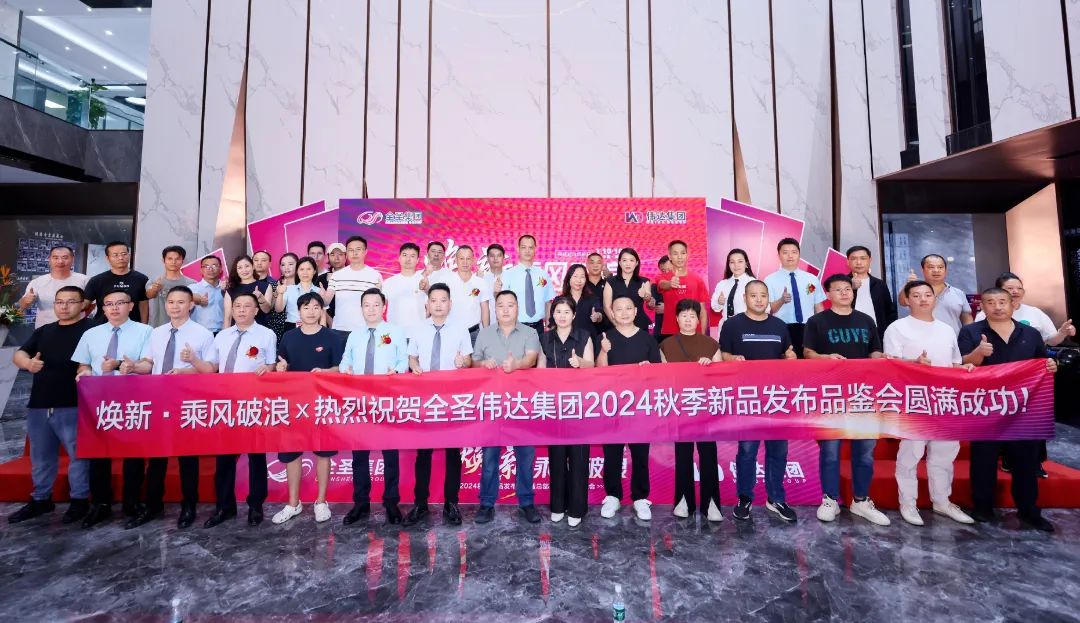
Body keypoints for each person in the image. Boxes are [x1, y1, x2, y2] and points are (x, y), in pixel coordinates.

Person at [959, 287, 1058, 532]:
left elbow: (1042, 363)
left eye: (1002, 301)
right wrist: (978, 354)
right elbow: (962, 364)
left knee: (1025, 461)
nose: (997, 306)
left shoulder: (1031, 333)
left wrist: (1051, 365)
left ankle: (1029, 511)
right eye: (990, 302)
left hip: (1022, 409)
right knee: (983, 460)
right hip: (985, 407)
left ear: (1012, 304)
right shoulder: (971, 332)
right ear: (982, 306)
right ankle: (982, 508)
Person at [883, 280, 975, 526]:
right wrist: (913, 363)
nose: (923, 299)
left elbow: (954, 363)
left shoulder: (946, 329)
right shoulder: (897, 328)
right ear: (907, 300)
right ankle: (908, 503)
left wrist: (964, 368)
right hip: (913, 400)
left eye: (928, 294)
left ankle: (942, 501)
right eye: (916, 295)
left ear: (935, 299)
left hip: (943, 400)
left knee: (945, 454)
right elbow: (889, 365)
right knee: (910, 454)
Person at [802, 275, 890, 526]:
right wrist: (824, 358)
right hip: (830, 395)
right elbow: (807, 353)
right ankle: (830, 499)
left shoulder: (866, 320)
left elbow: (874, 351)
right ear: (828, 294)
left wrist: (881, 358)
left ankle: (861, 500)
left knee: (865, 451)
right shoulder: (817, 321)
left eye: (847, 289)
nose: (844, 293)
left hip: (863, 395)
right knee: (830, 451)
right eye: (838, 289)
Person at [125, 286, 215, 529]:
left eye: (181, 302)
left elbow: (211, 369)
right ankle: (153, 505)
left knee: (188, 458)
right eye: (171, 302)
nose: (175, 306)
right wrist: (134, 367)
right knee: (156, 457)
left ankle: (189, 506)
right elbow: (150, 364)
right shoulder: (156, 333)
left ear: (191, 305)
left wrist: (188, 366)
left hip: (187, 402)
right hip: (158, 399)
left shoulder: (203, 334)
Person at [7, 286, 92, 525]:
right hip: (40, 403)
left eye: (70, 301)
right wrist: (27, 364)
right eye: (59, 301)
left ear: (83, 305)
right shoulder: (44, 331)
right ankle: (41, 499)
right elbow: (19, 354)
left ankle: (79, 500)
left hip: (74, 403)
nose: (64, 306)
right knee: (41, 457)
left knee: (79, 456)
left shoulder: (92, 330)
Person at [71, 288, 153, 529]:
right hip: (98, 400)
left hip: (133, 399)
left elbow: (149, 365)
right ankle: (101, 503)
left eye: (120, 303)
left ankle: (132, 502)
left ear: (131, 306)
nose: (114, 308)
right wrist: (85, 372)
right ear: (102, 308)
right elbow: (83, 365)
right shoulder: (91, 333)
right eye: (109, 304)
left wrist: (128, 366)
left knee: (133, 454)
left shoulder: (146, 331)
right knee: (99, 454)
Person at [719, 280, 798, 522]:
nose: (759, 300)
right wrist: (733, 359)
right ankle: (744, 497)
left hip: (776, 398)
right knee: (747, 451)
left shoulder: (779, 325)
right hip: (748, 399)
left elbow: (788, 353)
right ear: (745, 298)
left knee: (778, 451)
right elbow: (724, 354)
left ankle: (776, 498)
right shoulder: (732, 325)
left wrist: (791, 356)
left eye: (763, 295)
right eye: (753, 295)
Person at [204, 293, 277, 528]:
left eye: (247, 306)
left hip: (253, 402)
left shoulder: (266, 335)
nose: (242, 310)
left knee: (256, 455)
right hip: (225, 403)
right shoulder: (222, 336)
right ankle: (224, 506)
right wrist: (194, 362)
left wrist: (269, 368)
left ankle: (256, 505)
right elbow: (212, 366)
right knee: (224, 456)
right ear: (232, 310)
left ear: (256, 310)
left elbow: (272, 365)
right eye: (237, 306)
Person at [403, 284, 473, 527]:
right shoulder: (418, 329)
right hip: (425, 398)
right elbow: (412, 357)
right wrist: (413, 365)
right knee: (423, 453)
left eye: (443, 300)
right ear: (428, 304)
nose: (439, 304)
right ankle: (420, 504)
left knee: (453, 452)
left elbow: (469, 360)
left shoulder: (461, 329)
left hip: (452, 399)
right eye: (434, 300)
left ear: (450, 304)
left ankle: (451, 503)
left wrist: (463, 362)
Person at [271, 293, 344, 525]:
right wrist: (280, 367)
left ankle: (321, 501)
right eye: (306, 307)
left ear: (322, 310)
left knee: (323, 452)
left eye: (315, 307)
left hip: (322, 403)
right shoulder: (289, 337)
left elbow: (341, 367)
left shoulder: (332, 337)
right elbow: (281, 363)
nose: (311, 312)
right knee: (292, 452)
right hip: (294, 404)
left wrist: (326, 373)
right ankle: (293, 503)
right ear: (298, 311)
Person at [338, 289, 410, 526]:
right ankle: (361, 503)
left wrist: (396, 371)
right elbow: (345, 361)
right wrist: (346, 369)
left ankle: (391, 503)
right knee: (359, 455)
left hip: (386, 400)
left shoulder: (396, 332)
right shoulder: (354, 335)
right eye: (367, 305)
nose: (371, 309)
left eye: (376, 304)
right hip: (359, 401)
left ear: (384, 307)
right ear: (361, 308)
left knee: (390, 454)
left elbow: (403, 362)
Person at [472, 290, 542, 525]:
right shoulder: (484, 334)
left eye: (510, 305)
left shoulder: (530, 332)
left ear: (517, 308)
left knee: (525, 456)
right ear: (495, 309)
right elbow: (474, 362)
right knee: (489, 458)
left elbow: (531, 359)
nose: (505, 309)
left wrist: (517, 365)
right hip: (492, 405)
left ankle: (526, 502)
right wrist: (483, 363)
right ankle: (486, 504)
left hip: (522, 404)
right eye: (500, 305)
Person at [596, 295, 661, 521]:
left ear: (635, 312)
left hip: (640, 407)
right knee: (612, 453)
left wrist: (649, 368)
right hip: (612, 407)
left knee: (640, 453)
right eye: (619, 309)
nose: (624, 313)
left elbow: (658, 374)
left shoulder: (647, 339)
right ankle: (612, 495)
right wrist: (604, 351)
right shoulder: (605, 337)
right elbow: (598, 372)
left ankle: (640, 497)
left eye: (628, 309)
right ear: (612, 313)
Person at [659, 299, 723, 522]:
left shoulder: (711, 344)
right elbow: (663, 378)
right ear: (677, 319)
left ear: (698, 320)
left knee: (708, 454)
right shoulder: (666, 345)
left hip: (706, 408)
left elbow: (722, 378)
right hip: (680, 408)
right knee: (683, 455)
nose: (688, 320)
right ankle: (683, 501)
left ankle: (711, 503)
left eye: (692, 316)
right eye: (684, 315)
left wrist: (710, 366)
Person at [538, 296, 594, 527]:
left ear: (573, 315)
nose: (562, 316)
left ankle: (577, 508)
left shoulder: (584, 336)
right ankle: (558, 505)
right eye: (558, 312)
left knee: (579, 458)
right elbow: (540, 369)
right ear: (553, 315)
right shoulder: (545, 338)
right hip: (554, 406)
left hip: (578, 406)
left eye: (566, 312)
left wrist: (580, 362)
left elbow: (592, 365)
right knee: (557, 457)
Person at [974, 272, 1075, 346]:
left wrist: (1062, 333)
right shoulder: (985, 314)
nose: (1015, 291)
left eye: (1019, 288)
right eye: (1010, 288)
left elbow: (1051, 341)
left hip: (1031, 363)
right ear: (998, 291)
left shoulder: (1035, 312)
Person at [764, 238, 825, 358]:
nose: (790, 256)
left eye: (794, 252)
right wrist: (781, 300)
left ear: (799, 254)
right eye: (785, 252)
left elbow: (818, 306)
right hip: (782, 328)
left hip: (809, 328)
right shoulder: (770, 280)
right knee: (787, 363)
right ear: (779, 256)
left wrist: (822, 327)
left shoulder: (811, 279)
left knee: (809, 363)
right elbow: (768, 310)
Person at [17, 245, 89, 328]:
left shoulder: (84, 280)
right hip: (45, 329)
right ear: (49, 260)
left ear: (72, 260)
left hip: (77, 329)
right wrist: (26, 301)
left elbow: (92, 305)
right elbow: (21, 306)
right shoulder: (37, 282)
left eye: (65, 257)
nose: (60, 261)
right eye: (55, 258)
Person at [899, 254, 972, 335]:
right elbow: (902, 302)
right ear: (922, 270)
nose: (936, 270)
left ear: (945, 270)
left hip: (953, 340)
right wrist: (908, 285)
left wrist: (969, 338)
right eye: (931, 267)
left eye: (940, 267)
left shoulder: (958, 293)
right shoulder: (916, 291)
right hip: (922, 338)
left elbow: (967, 319)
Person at [432, 245, 491, 343]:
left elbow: (485, 309)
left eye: (468, 259)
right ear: (456, 260)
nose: (465, 262)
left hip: (473, 334)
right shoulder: (446, 281)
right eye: (461, 259)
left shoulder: (480, 283)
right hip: (450, 332)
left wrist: (486, 333)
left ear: (473, 260)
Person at [325, 236, 383, 334]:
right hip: (340, 329)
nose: (354, 253)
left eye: (358, 249)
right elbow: (326, 302)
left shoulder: (375, 275)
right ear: (347, 253)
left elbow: (380, 305)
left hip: (365, 330)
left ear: (365, 252)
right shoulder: (337, 275)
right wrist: (322, 297)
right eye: (351, 250)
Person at [84, 241, 150, 325]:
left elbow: (143, 305)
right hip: (103, 325)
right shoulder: (97, 280)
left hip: (133, 326)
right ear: (108, 258)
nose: (121, 258)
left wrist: (144, 326)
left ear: (129, 255)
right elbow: (85, 303)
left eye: (124, 254)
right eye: (115, 255)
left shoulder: (141, 279)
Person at [502, 235, 555, 335]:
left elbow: (548, 302)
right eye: (524, 247)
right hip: (516, 327)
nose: (527, 251)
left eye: (530, 247)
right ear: (518, 249)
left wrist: (549, 326)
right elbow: (503, 303)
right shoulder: (508, 274)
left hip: (539, 328)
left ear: (535, 250)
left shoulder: (543, 275)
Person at [657, 241, 708, 342]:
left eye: (683, 253)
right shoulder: (662, 277)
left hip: (694, 332)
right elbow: (662, 284)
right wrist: (670, 283)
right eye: (675, 253)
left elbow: (702, 310)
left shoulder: (698, 280)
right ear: (670, 256)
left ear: (687, 255)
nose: (680, 257)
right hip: (670, 333)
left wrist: (702, 335)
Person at [846, 245, 896, 340]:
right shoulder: (841, 283)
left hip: (876, 334)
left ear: (870, 260)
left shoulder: (879, 284)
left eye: (863, 258)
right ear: (847, 261)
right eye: (854, 259)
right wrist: (850, 288)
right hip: (848, 334)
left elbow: (889, 311)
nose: (859, 262)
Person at [602, 248, 653, 333]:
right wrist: (617, 325)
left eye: (631, 260)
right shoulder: (611, 282)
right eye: (624, 260)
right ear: (619, 263)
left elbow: (648, 298)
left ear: (636, 263)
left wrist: (645, 295)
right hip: (616, 325)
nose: (628, 264)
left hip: (639, 325)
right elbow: (606, 307)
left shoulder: (644, 281)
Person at [383, 243, 428, 333]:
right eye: (405, 255)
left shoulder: (424, 282)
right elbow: (380, 306)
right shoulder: (388, 282)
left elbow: (431, 308)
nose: (408, 259)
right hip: (394, 333)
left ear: (417, 260)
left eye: (412, 256)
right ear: (399, 258)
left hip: (418, 333)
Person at [146, 245, 195, 328]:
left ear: (182, 261)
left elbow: (195, 302)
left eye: (177, 259)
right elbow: (149, 295)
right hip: (158, 326)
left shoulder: (191, 283)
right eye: (170, 259)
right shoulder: (155, 280)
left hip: (183, 327)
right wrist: (155, 289)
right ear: (163, 260)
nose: (173, 262)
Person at [710, 248, 754, 336]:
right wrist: (719, 302)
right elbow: (715, 308)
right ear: (728, 265)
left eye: (740, 261)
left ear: (746, 264)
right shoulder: (722, 284)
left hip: (747, 328)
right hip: (726, 328)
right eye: (732, 262)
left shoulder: (754, 283)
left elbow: (765, 309)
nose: (736, 265)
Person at [555, 264, 605, 339]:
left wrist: (597, 316)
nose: (578, 280)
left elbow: (600, 314)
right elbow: (552, 323)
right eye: (575, 276)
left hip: (588, 341)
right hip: (565, 341)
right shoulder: (559, 300)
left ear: (586, 280)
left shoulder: (593, 299)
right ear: (568, 279)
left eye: (582, 277)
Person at [223, 255, 273, 329]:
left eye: (247, 266)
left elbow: (267, 310)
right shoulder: (231, 289)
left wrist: (261, 299)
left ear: (253, 267)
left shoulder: (265, 286)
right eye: (240, 267)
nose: (244, 270)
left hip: (260, 330)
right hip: (237, 331)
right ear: (236, 270)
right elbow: (228, 317)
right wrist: (224, 334)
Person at [274, 256, 325, 327]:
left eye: (308, 269)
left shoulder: (319, 291)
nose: (305, 272)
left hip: (314, 327)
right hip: (292, 327)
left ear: (314, 271)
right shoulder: (289, 289)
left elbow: (323, 316)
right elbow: (278, 309)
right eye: (301, 269)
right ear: (297, 271)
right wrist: (280, 294)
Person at [266, 252, 299, 342]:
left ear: (298, 265)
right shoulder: (273, 285)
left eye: (290, 264)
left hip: (296, 328)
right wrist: (277, 293)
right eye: (283, 265)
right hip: (275, 328)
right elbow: (269, 308)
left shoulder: (302, 286)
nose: (286, 268)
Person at [189, 255, 225, 334]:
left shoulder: (227, 288)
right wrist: (196, 298)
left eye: (214, 265)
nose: (210, 269)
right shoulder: (192, 288)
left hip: (222, 332)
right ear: (201, 270)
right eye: (206, 266)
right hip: (199, 332)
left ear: (220, 269)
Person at [482, 243, 509, 319]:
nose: (495, 258)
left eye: (499, 256)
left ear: (503, 257)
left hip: (506, 322)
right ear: (487, 258)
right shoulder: (481, 278)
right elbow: (474, 297)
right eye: (492, 256)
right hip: (486, 322)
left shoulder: (510, 277)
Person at [651, 256, 671, 341]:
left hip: (677, 329)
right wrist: (649, 301)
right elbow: (654, 306)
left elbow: (686, 307)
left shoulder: (683, 284)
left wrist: (667, 308)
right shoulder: (655, 286)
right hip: (660, 329)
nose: (666, 273)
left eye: (669, 270)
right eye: (663, 270)